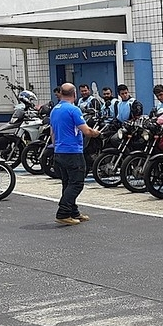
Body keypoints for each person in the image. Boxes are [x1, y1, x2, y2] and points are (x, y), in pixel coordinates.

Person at [50, 83, 101, 225]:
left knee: (67, 183)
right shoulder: (74, 110)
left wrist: (56, 148)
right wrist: (96, 133)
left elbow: (52, 132)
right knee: (77, 183)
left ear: (60, 93)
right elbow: (86, 131)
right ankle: (63, 212)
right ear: (74, 94)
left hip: (59, 151)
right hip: (73, 151)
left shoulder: (55, 110)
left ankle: (73, 212)